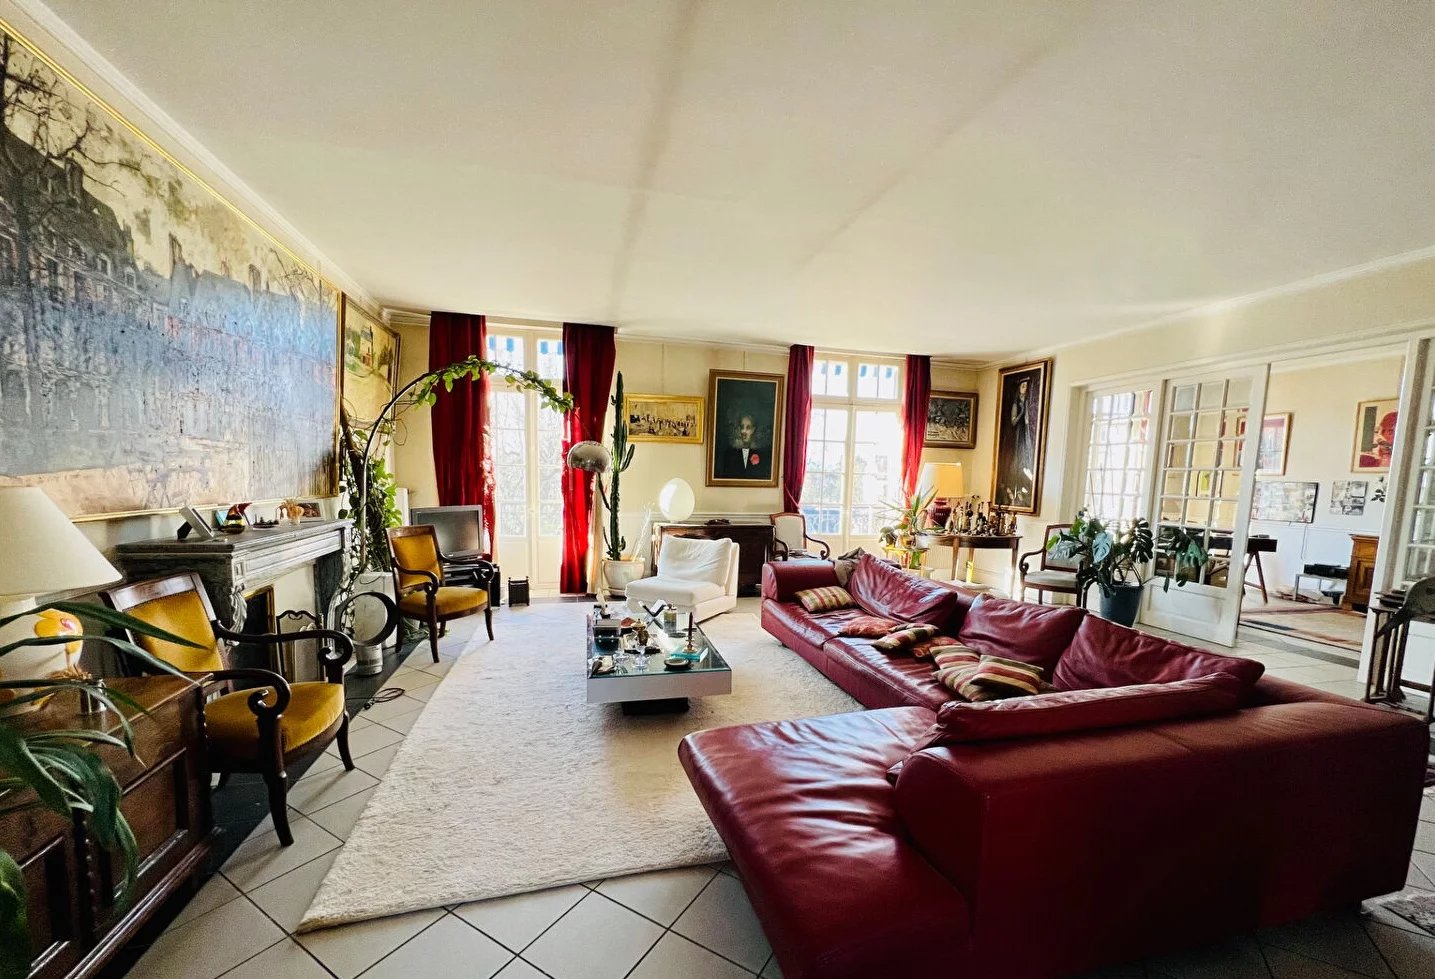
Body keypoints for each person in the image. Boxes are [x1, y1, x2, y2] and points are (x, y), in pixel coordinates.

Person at [997, 378, 1034, 506]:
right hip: (1017, 433)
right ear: (1019, 389)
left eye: (1027, 387)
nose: (1025, 389)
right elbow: (1013, 422)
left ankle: (1022, 488)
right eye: (1023, 386)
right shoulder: (1015, 404)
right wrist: (1021, 412)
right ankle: (1012, 486)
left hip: (1024, 433)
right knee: (1015, 459)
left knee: (1024, 458)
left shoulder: (1028, 403)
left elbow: (1028, 421)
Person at [714, 413, 772, 480]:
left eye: (748, 428)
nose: (744, 431)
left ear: (753, 430)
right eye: (742, 427)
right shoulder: (730, 454)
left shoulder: (761, 454)